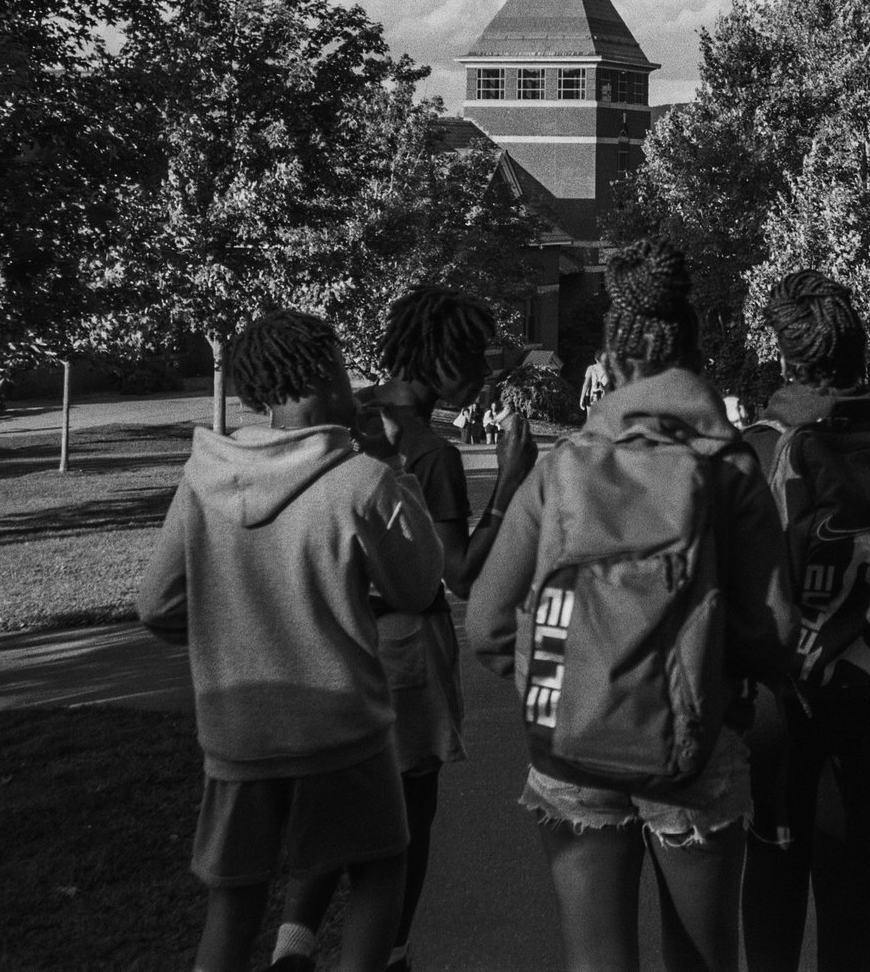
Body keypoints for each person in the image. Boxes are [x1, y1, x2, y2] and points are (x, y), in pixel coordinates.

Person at [469, 240, 798, 972]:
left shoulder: (562, 470)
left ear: (611, 370)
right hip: (693, 748)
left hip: (571, 747)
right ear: (696, 362)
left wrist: (557, 682)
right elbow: (776, 631)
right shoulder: (730, 467)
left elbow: (489, 622)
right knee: (704, 959)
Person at [137, 309, 445, 972]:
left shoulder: (202, 481)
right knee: (379, 867)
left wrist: (230, 631)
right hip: (342, 732)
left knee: (233, 905)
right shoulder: (361, 481)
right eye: (341, 366)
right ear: (319, 378)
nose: (353, 381)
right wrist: (396, 472)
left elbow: (157, 606)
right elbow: (419, 588)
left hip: (238, 730)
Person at [269, 288, 540, 972]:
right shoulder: (428, 451)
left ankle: (292, 942)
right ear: (443, 359)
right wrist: (510, 482)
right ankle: (390, 954)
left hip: (326, 637)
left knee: (335, 802)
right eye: (474, 355)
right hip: (402, 648)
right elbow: (460, 574)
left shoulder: (340, 418)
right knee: (408, 822)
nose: (482, 370)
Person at [738, 270, 870, 972]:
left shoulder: (758, 450)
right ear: (862, 355)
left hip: (780, 697)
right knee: (854, 882)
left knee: (773, 867)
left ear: (784, 360)